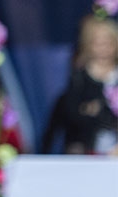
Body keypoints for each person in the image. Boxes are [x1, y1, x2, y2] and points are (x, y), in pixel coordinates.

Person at [42, 16, 118, 155]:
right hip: (86, 150)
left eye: (108, 43)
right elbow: (71, 113)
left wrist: (96, 109)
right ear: (88, 45)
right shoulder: (79, 78)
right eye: (98, 44)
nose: (104, 49)